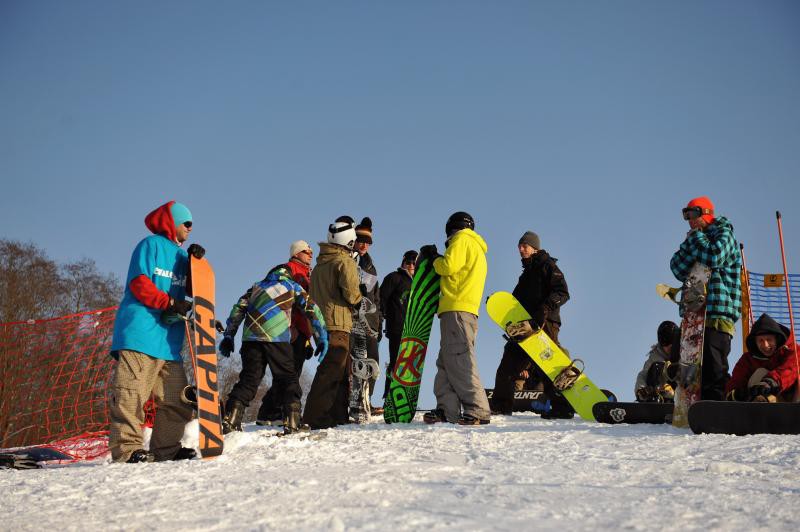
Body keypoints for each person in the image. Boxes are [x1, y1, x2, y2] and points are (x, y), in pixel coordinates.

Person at [109, 201, 205, 463]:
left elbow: (195, 290)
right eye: (186, 222)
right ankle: (127, 450)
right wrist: (170, 302)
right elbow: (140, 283)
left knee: (178, 399)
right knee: (131, 395)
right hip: (140, 334)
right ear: (170, 222)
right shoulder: (149, 245)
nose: (190, 227)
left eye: (192, 223)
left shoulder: (183, 257)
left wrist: (196, 264)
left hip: (169, 342)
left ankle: (166, 449)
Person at [218, 263, 328, 434]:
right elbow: (312, 308)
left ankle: (231, 419)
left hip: (251, 339)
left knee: (249, 379)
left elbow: (238, 308)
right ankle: (292, 421)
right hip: (277, 338)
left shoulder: (255, 287)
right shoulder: (291, 286)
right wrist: (322, 337)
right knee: (287, 379)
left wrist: (229, 335)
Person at [489, 231, 573, 418]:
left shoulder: (547, 265)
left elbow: (563, 292)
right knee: (509, 362)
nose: (520, 249)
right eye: (519, 246)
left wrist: (545, 308)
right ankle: (501, 405)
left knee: (549, 363)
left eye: (524, 246)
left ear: (534, 247)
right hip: (524, 325)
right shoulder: (526, 274)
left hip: (546, 322)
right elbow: (515, 301)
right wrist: (499, 306)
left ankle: (562, 407)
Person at [422, 212, 492, 425]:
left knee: (460, 360)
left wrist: (435, 259)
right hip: (461, 310)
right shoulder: (476, 248)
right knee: (446, 361)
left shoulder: (462, 240)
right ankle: (447, 409)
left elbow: (448, 266)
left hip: (458, 309)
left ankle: (478, 409)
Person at [670, 196, 742, 400]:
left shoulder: (725, 235)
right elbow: (677, 267)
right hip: (694, 313)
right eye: (686, 215)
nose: (689, 220)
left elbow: (714, 256)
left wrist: (695, 240)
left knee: (713, 365)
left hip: (717, 312)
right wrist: (693, 242)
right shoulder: (694, 239)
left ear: (706, 213)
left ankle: (715, 405)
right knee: (688, 366)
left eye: (692, 214)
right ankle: (690, 405)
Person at [302, 218, 363, 429]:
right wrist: (360, 297)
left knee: (339, 371)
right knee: (330, 371)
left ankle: (337, 415)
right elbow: (352, 295)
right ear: (348, 241)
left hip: (320, 323)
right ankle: (313, 417)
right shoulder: (344, 261)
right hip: (337, 323)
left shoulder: (319, 265)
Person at [256, 240, 316, 425]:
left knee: (292, 373)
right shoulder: (288, 270)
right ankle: (272, 412)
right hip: (289, 329)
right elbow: (285, 302)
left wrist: (308, 338)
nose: (310, 254)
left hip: (303, 331)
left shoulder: (308, 273)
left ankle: (271, 411)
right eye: (307, 251)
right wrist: (292, 327)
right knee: (288, 374)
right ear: (297, 253)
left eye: (311, 252)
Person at [725, 313, 799, 402]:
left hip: (790, 399)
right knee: (760, 372)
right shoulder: (748, 359)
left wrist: (770, 383)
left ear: (777, 339)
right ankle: (760, 403)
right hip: (760, 398)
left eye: (769, 339)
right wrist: (738, 394)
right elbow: (735, 382)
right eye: (760, 340)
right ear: (755, 342)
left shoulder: (791, 350)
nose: (765, 345)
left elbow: (790, 369)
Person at [352, 217, 383, 412]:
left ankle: (366, 400)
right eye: (360, 240)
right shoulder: (348, 259)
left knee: (372, 362)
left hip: (369, 322)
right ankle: (351, 402)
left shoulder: (371, 266)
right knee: (354, 362)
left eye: (368, 242)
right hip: (352, 320)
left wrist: (378, 322)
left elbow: (376, 298)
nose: (364, 245)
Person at [380, 250, 417, 400]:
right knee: (396, 361)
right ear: (403, 262)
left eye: (414, 263)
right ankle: (389, 394)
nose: (411, 265)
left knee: (410, 364)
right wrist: (380, 319)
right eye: (408, 262)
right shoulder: (394, 278)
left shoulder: (418, 284)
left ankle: (405, 397)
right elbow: (381, 298)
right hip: (397, 327)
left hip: (414, 329)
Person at [634, 321, 680, 402]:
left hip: (682, 386)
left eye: (671, 344)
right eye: (665, 345)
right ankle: (653, 401)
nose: (668, 348)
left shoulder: (685, 351)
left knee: (674, 369)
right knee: (657, 366)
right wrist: (641, 390)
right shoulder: (656, 355)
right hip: (665, 393)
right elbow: (644, 374)